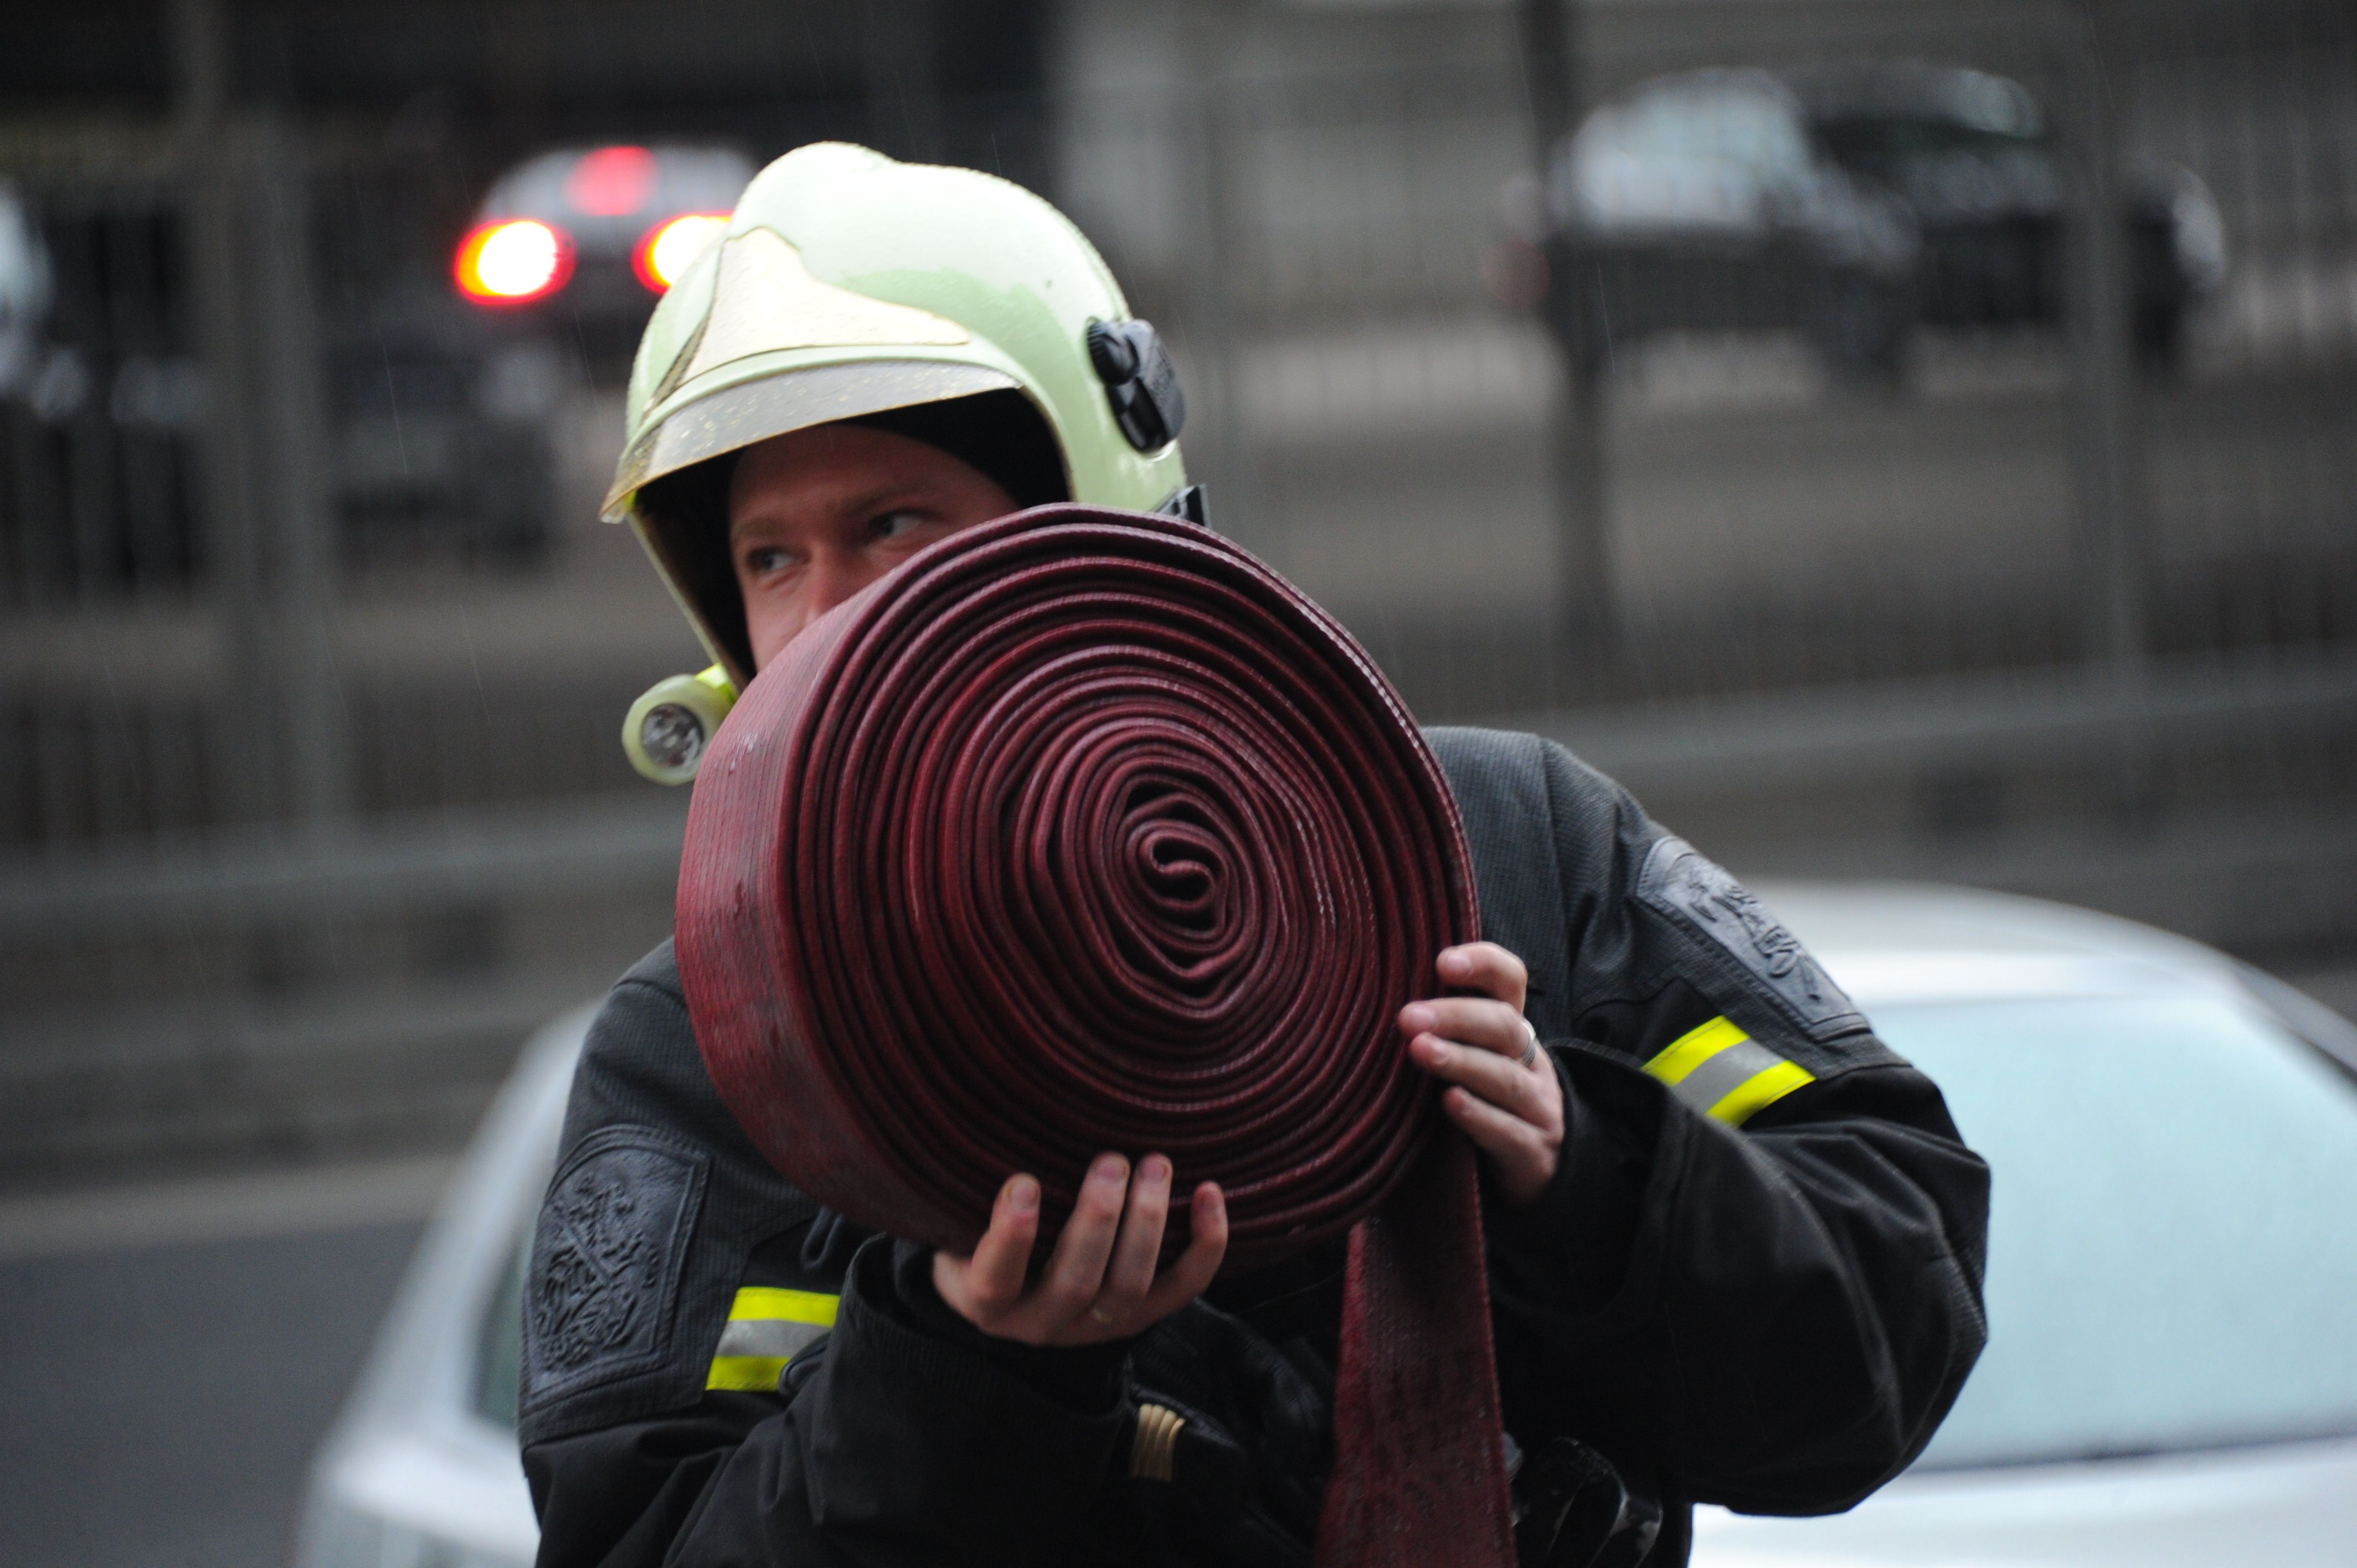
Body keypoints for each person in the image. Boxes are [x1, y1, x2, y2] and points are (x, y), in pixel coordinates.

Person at [519, 142, 1989, 1568]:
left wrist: (1583, 1180)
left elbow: (1896, 1318)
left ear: (1096, 532)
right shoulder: (711, 1047)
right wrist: (967, 1368)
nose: (821, 613)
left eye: (891, 523)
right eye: (770, 557)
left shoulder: (1503, 853)